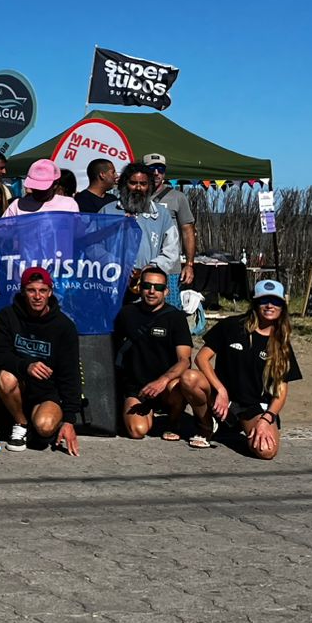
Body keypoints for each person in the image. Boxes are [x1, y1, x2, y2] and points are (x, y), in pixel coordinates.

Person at [189, 279, 300, 459]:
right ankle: (207, 425)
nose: (270, 305)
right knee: (190, 378)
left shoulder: (282, 342)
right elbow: (201, 358)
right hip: (221, 399)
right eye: (264, 300)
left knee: (266, 451)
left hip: (253, 406)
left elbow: (281, 391)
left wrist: (266, 419)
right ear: (255, 303)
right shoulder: (232, 325)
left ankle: (242, 424)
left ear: (282, 307)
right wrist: (221, 390)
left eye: (275, 301)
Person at [0, 267, 81, 455]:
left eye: (42, 290)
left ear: (50, 292)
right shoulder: (7, 316)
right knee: (5, 378)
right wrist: (26, 366)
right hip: (19, 386)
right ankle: (21, 423)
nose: (37, 296)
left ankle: (38, 422)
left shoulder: (64, 326)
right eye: (31, 290)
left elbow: (71, 374)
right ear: (23, 292)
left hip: (47, 392)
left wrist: (69, 420)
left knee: (45, 427)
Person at [111, 264, 198, 443]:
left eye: (158, 287)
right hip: (136, 387)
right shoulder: (127, 313)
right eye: (147, 286)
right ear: (139, 288)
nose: (152, 291)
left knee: (178, 385)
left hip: (166, 386)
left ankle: (173, 422)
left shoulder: (176, 317)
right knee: (137, 431)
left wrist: (162, 381)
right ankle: (138, 412)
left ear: (166, 291)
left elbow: (184, 360)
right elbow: (114, 350)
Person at [100, 163, 180, 286]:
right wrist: (113, 263)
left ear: (149, 186)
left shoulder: (161, 214)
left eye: (143, 184)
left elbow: (172, 249)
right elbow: (92, 246)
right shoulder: (108, 211)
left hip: (148, 285)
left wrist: (153, 267)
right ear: (124, 184)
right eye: (133, 183)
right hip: (112, 281)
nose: (138, 188)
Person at [143, 154, 197, 289]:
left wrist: (189, 264)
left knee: (169, 302)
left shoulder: (178, 197)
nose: (156, 173)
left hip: (170, 268)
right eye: (151, 168)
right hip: (141, 267)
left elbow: (188, 231)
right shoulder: (135, 197)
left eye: (160, 169)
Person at [3, 159, 80, 217]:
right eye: (34, 187)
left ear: (55, 184)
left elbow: (76, 230)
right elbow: (1, 230)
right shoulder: (18, 205)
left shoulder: (68, 204)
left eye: (42, 188)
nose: (38, 191)